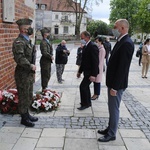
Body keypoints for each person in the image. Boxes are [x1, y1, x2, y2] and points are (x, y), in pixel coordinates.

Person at [97, 19, 134, 142]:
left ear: (122, 28)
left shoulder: (127, 43)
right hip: (112, 82)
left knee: (114, 108)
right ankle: (110, 128)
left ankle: (112, 133)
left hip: (116, 85)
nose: (114, 29)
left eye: (115, 27)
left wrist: (115, 87)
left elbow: (122, 68)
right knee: (111, 108)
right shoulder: (121, 41)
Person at [12, 18, 38, 127]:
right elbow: (19, 57)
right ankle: (24, 118)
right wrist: (30, 66)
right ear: (23, 30)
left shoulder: (28, 41)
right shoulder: (19, 42)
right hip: (23, 74)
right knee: (23, 96)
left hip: (29, 74)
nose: (31, 30)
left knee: (28, 95)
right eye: (28, 28)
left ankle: (27, 114)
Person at [77, 31, 99, 110]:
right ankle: (87, 102)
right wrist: (79, 71)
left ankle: (85, 104)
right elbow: (83, 61)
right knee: (85, 87)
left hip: (91, 72)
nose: (81, 39)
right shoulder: (86, 46)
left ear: (87, 37)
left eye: (82, 37)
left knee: (82, 87)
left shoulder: (93, 46)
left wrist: (94, 75)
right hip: (86, 71)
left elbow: (95, 62)